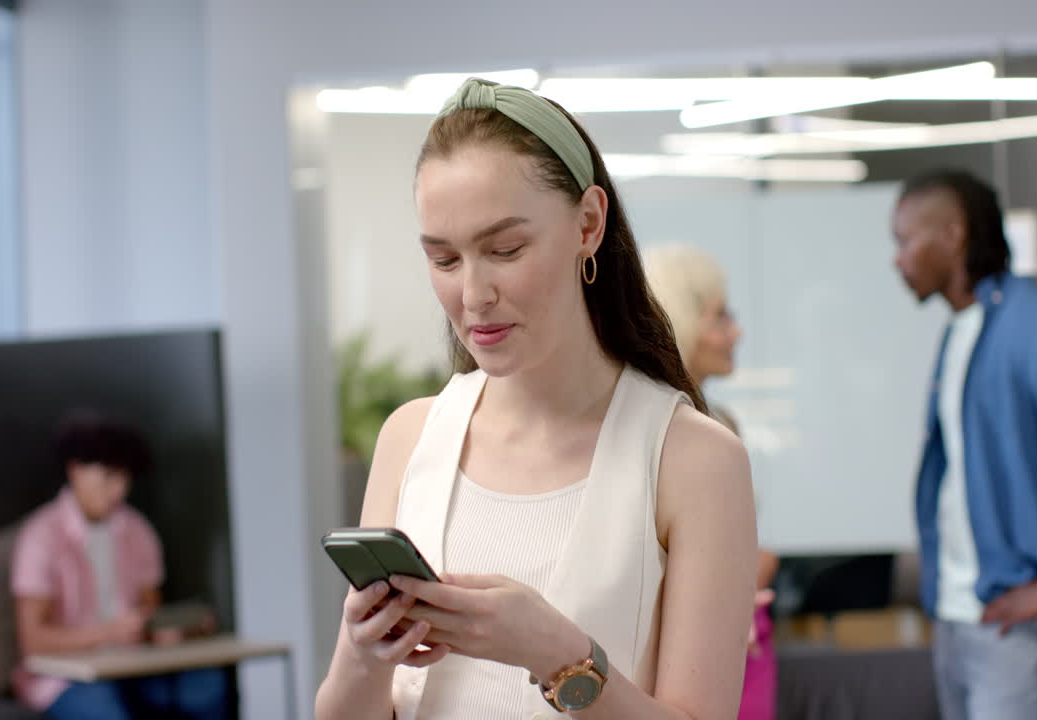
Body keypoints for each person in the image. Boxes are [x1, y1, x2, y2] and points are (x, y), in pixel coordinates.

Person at [315, 77, 757, 720]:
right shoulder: (411, 438)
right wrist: (362, 654)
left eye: (506, 249)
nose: (473, 294)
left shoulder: (693, 459)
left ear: (588, 223)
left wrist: (557, 654)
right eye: (443, 259)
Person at [891, 168, 1037, 720]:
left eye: (905, 240)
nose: (897, 259)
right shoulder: (961, 328)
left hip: (1009, 619)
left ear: (952, 237)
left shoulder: (1036, 324)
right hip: (954, 613)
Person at [10, 413, 229, 720]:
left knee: (207, 688)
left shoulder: (138, 531)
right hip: (67, 678)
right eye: (109, 476)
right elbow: (33, 642)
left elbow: (149, 612)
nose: (119, 490)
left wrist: (172, 629)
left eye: (125, 478)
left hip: (134, 667)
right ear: (75, 470)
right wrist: (108, 633)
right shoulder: (41, 536)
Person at [643, 245, 778, 720]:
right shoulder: (645, 436)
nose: (735, 332)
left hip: (745, 639)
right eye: (720, 317)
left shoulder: (723, 424)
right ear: (683, 321)